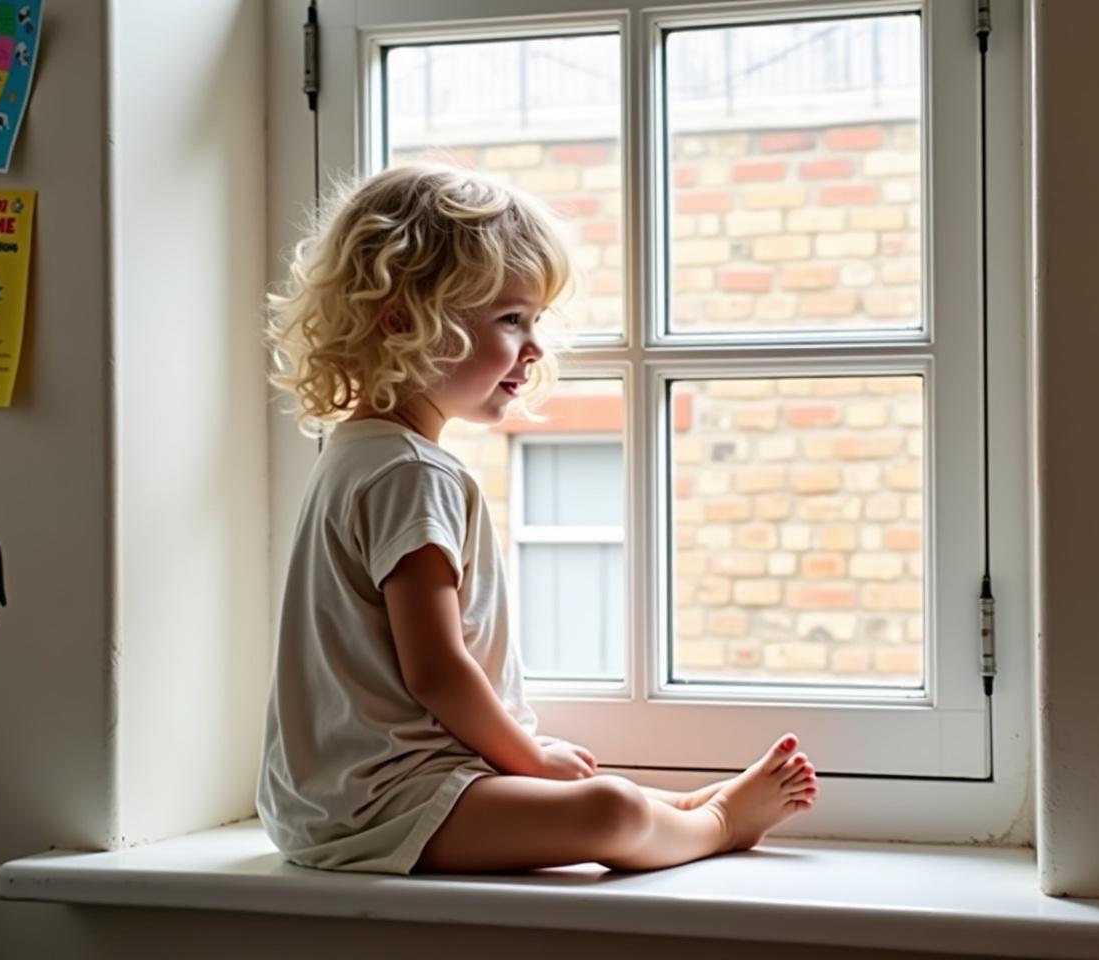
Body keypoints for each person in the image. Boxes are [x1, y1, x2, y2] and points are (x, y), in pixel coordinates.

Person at [257, 160, 817, 876]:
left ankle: (677, 809)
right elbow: (435, 671)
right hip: (392, 805)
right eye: (510, 319)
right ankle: (713, 823)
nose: (534, 348)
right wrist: (531, 759)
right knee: (604, 811)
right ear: (401, 320)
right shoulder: (412, 472)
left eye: (536, 320)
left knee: (597, 793)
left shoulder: (355, 452)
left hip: (343, 799)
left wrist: (532, 765)